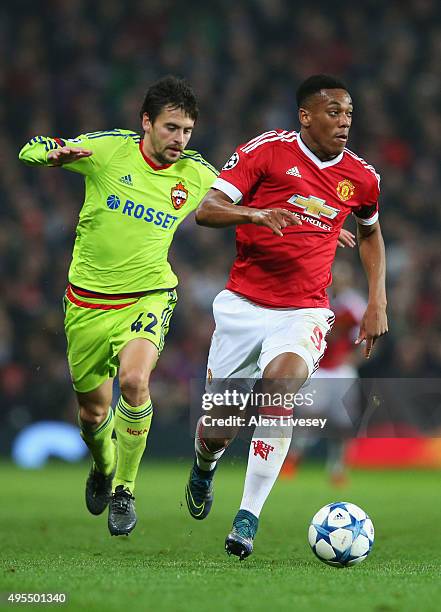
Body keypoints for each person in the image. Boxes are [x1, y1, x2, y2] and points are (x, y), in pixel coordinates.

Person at [185, 74, 388, 559]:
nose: (344, 123)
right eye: (333, 112)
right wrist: (255, 214)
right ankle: (204, 465)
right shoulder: (265, 151)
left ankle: (247, 517)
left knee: (280, 392)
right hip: (242, 307)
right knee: (219, 427)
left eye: (349, 113)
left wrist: (378, 299)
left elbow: (371, 233)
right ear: (305, 116)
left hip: (303, 311)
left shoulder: (362, 177)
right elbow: (206, 210)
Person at [19, 76, 217, 536]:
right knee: (92, 413)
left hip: (148, 295)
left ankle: (125, 490)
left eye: (187, 130)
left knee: (134, 381)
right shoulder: (108, 151)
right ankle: (104, 465)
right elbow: (31, 147)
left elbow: (248, 193)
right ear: (146, 122)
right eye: (171, 128)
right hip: (86, 302)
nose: (179, 139)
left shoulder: (196, 173)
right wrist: (51, 155)